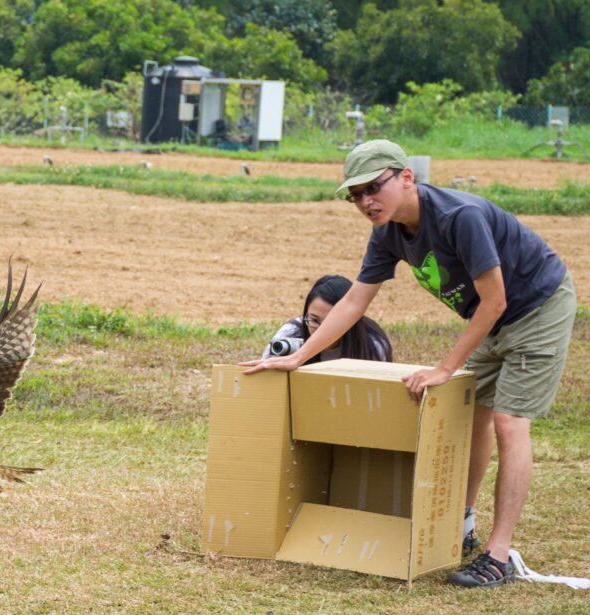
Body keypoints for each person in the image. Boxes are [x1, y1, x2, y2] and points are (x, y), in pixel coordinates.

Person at [240, 139, 577, 589]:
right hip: (493, 317)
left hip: (537, 307)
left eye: (373, 187)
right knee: (471, 416)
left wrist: (443, 369)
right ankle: (462, 524)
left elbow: (494, 301)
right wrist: (299, 356)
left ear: (405, 177)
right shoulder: (387, 234)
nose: (365, 201)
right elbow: (354, 300)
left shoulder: (461, 217)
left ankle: (498, 555)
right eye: (355, 195)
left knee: (508, 422)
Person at [262, 274, 392, 363]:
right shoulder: (289, 334)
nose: (320, 330)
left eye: (331, 321)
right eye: (314, 320)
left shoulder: (373, 345)